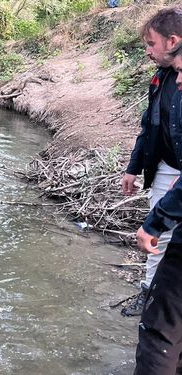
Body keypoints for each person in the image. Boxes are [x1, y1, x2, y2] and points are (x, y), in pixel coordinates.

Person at [120, 6, 182, 317]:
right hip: (167, 166)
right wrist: (133, 168)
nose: (147, 51)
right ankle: (149, 293)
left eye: (150, 43)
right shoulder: (160, 79)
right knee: (159, 231)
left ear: (173, 41)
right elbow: (149, 125)